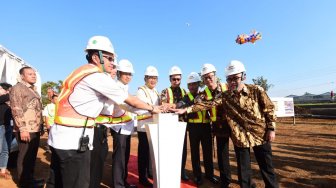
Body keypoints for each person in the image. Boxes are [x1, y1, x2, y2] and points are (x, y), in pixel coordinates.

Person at [46, 36, 160, 188]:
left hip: (60, 138)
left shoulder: (81, 71)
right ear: (95, 57)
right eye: (109, 58)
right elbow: (129, 101)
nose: (113, 63)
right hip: (74, 142)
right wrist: (153, 108)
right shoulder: (96, 76)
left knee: (57, 183)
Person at [175, 60, 278, 188]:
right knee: (243, 168)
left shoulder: (256, 90)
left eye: (235, 78)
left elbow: (270, 108)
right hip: (235, 133)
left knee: (266, 167)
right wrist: (184, 109)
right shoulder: (225, 95)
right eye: (229, 79)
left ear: (243, 76)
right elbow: (205, 104)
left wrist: (271, 128)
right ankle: (230, 181)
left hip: (259, 134)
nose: (232, 82)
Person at [175, 72, 219, 186]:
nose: (192, 87)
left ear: (199, 84)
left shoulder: (205, 94)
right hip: (193, 128)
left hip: (205, 126)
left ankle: (210, 174)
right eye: (190, 85)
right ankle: (197, 176)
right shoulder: (186, 97)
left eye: (194, 84)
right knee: (194, 153)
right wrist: (175, 106)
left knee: (207, 152)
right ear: (187, 86)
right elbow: (180, 104)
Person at [9, 67, 45, 188]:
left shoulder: (33, 90)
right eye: (30, 74)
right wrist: (23, 129)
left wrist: (41, 126)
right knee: (24, 156)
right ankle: (24, 184)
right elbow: (16, 109)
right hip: (25, 130)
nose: (33, 76)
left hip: (34, 129)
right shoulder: (18, 88)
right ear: (22, 76)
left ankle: (30, 180)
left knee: (31, 157)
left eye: (34, 74)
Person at [200, 63, 231, 187]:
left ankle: (245, 180)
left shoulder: (227, 86)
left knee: (241, 154)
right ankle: (225, 180)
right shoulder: (204, 93)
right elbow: (194, 102)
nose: (208, 79)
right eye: (205, 78)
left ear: (215, 75)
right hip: (219, 127)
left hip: (234, 125)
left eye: (210, 76)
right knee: (222, 155)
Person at [160, 65, 189, 181]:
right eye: (174, 79)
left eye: (178, 79)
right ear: (170, 79)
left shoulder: (185, 92)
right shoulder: (164, 92)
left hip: (182, 124)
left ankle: (181, 171)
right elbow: (163, 106)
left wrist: (170, 106)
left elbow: (188, 105)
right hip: (169, 125)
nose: (176, 81)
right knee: (169, 150)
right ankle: (170, 171)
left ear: (181, 79)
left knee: (182, 150)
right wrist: (177, 107)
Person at [136, 65, 161, 187]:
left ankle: (150, 173)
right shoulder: (141, 91)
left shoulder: (156, 91)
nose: (153, 80)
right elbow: (145, 106)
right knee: (144, 154)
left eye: (155, 78)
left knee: (151, 153)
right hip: (144, 127)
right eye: (150, 78)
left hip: (154, 127)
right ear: (145, 78)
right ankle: (142, 177)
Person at [0, 83, 12, 179]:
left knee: (6, 149)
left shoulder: (5, 102)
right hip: (0, 127)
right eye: (2, 89)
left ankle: (3, 170)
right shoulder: (2, 99)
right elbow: (8, 96)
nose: (5, 91)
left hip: (8, 126)